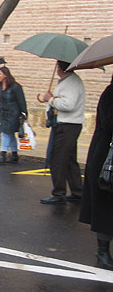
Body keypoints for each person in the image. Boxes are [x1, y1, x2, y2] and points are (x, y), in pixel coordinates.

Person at [79, 76, 113, 270]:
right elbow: (109, 124)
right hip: (106, 159)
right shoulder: (110, 94)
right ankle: (102, 251)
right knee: (106, 204)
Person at [40, 60, 85, 204]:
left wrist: (51, 99)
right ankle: (77, 191)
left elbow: (68, 104)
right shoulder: (68, 81)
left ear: (61, 68)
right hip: (69, 124)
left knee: (58, 158)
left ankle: (58, 193)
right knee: (70, 159)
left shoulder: (71, 82)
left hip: (67, 125)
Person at [0, 66, 28, 164]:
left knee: (6, 133)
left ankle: (3, 155)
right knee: (10, 134)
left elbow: (21, 100)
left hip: (13, 114)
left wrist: (24, 113)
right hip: (3, 114)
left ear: (5, 75)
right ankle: (14, 154)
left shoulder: (15, 87)